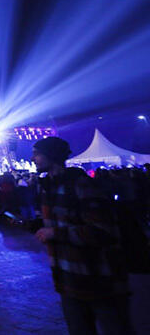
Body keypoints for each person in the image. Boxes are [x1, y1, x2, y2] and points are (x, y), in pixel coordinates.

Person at [32, 136, 131, 335]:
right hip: (67, 280)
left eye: (37, 154)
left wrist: (55, 233)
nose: (34, 158)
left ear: (51, 155)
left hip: (97, 278)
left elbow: (103, 231)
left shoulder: (80, 185)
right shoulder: (48, 187)